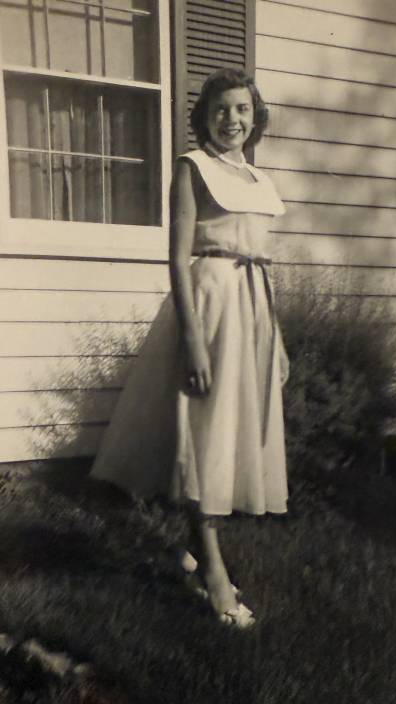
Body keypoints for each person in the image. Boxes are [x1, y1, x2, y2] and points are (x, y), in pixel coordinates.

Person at [90, 68, 289, 629]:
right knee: (206, 433)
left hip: (252, 309)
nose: (232, 120)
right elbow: (179, 259)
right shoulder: (193, 166)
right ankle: (214, 574)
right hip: (210, 305)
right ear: (205, 116)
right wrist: (194, 339)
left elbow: (261, 264)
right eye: (221, 109)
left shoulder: (258, 179)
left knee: (229, 432)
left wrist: (276, 341)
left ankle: (196, 549)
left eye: (242, 109)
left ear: (255, 117)